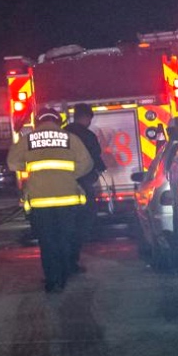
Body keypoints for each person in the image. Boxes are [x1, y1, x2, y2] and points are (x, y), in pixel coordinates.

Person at [9, 108, 93, 293]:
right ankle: (64, 274)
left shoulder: (27, 140)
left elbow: (12, 163)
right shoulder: (70, 138)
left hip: (40, 201)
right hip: (67, 199)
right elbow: (87, 164)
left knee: (47, 241)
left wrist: (33, 168)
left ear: (38, 122)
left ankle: (53, 280)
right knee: (65, 238)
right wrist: (68, 174)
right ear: (58, 121)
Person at [63, 104, 105, 274]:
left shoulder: (63, 133)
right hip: (83, 185)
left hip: (63, 186)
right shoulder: (88, 136)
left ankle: (64, 262)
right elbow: (95, 158)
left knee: (65, 225)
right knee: (82, 223)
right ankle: (72, 261)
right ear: (87, 118)